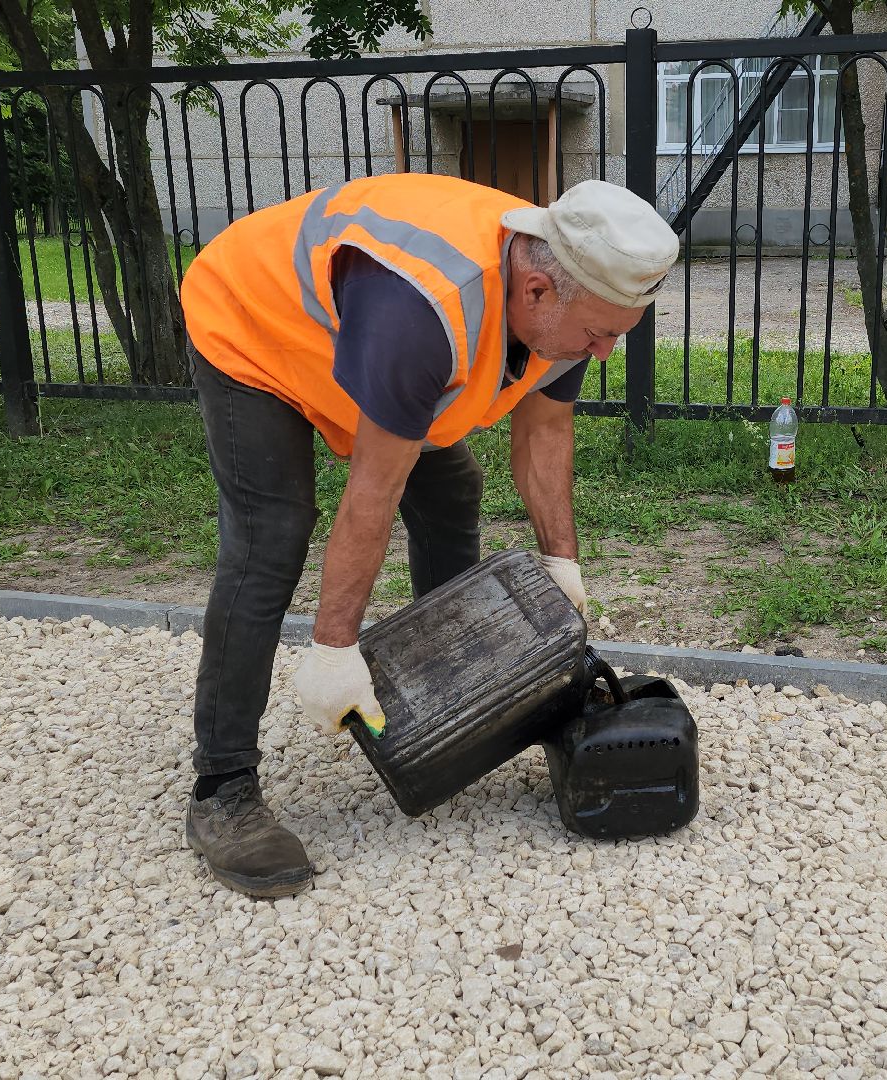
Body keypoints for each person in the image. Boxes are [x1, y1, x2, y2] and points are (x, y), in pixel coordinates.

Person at [177, 174, 679, 896]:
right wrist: (333, 647)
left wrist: (560, 561)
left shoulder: (574, 293)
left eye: (614, 335)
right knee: (271, 534)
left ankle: (446, 696)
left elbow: (544, 431)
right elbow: (373, 489)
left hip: (371, 349)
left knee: (450, 490)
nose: (602, 353)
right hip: (256, 324)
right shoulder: (424, 312)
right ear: (535, 290)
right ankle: (222, 790)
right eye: (597, 334)